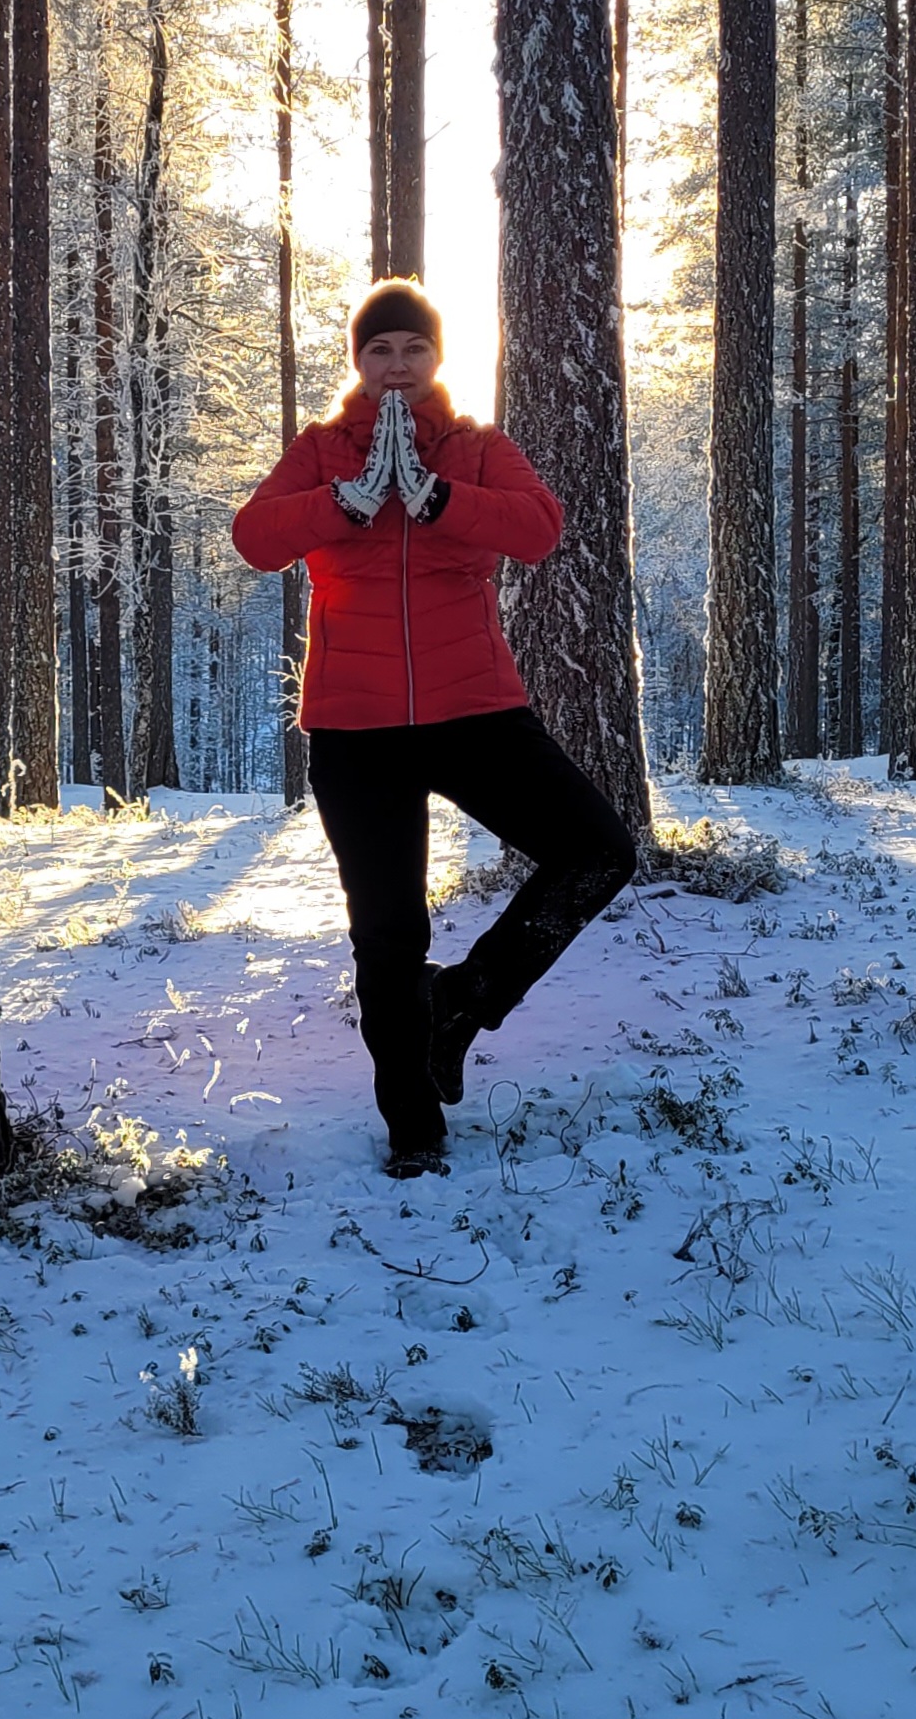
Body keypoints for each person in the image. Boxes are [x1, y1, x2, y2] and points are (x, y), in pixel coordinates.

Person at [232, 278, 636, 1177]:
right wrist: (342, 501)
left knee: (598, 852)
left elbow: (538, 529)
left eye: (412, 347)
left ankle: (462, 999)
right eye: (379, 349)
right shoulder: (320, 449)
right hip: (355, 727)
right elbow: (254, 538)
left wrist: (439, 497)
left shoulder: (478, 447)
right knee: (386, 933)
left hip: (475, 711)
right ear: (358, 362)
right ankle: (411, 1125)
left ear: (436, 357)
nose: (396, 364)